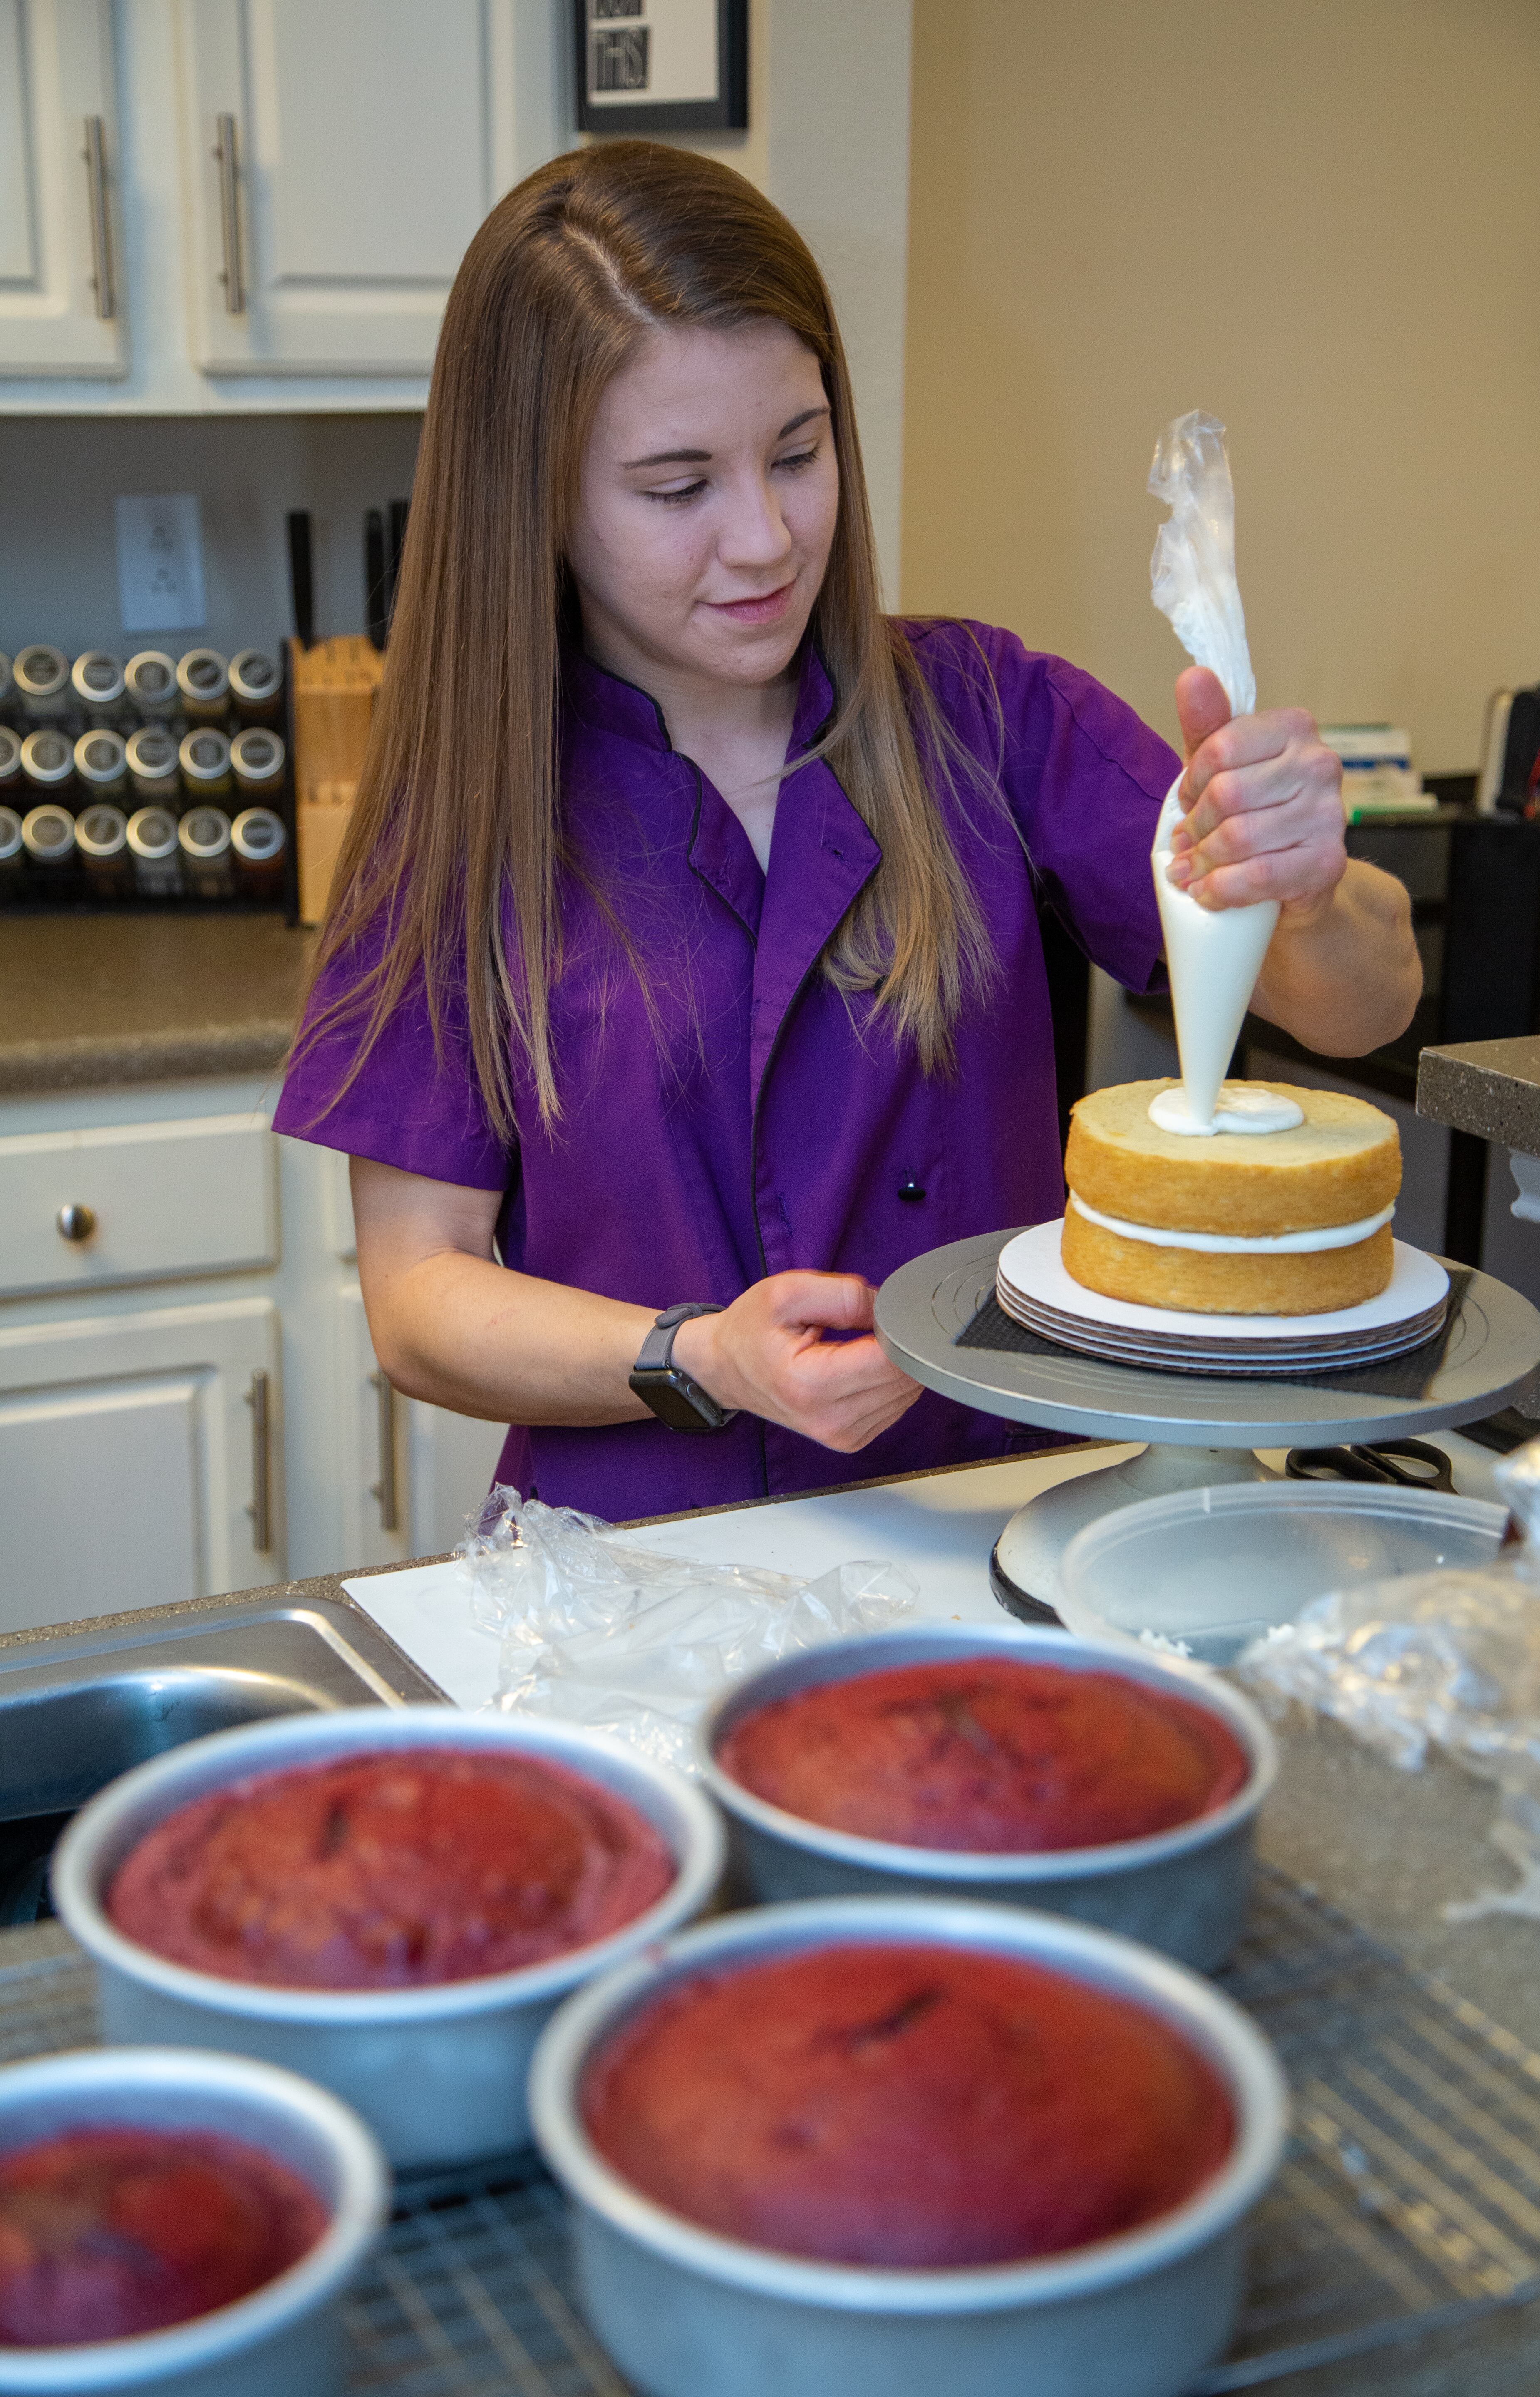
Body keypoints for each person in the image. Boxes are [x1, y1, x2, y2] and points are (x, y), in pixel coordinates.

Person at [274, 141, 1421, 1524]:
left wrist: (1307, 885)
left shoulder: (983, 712)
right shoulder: (462, 827)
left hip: (997, 1511)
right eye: (678, 485)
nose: (765, 540)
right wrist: (699, 1357)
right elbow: (418, 1295)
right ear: (541, 506)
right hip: (640, 1566)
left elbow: (1358, 1008)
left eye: (798, 454)